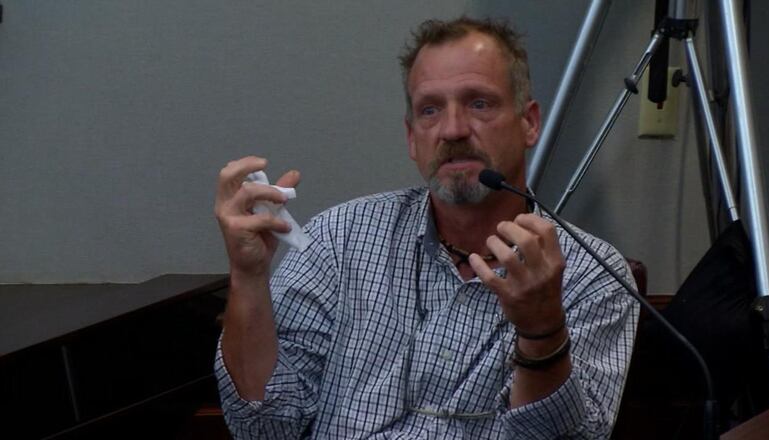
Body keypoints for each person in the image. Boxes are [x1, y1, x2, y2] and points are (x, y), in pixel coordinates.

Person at [214, 16, 639, 439]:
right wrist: (248, 276)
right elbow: (263, 427)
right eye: (430, 110)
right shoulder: (338, 240)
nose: (452, 130)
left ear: (529, 122)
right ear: (412, 138)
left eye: (479, 103)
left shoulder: (592, 274)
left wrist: (542, 331)